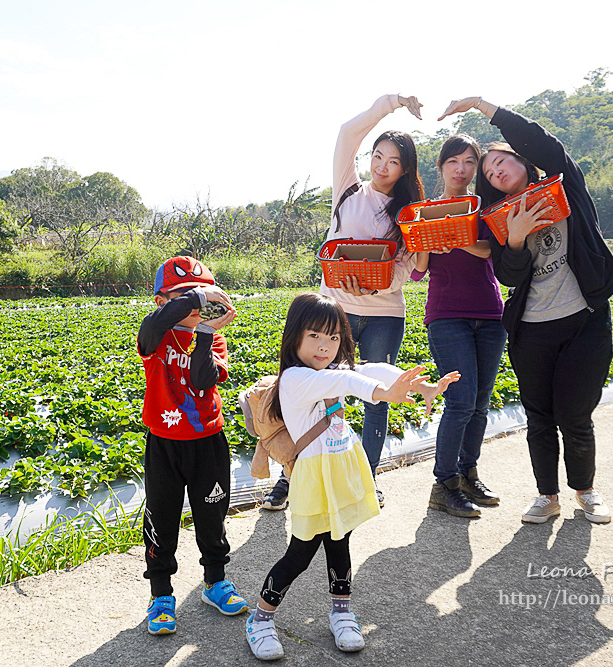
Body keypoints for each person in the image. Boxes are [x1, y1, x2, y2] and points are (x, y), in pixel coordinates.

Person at [437, 96, 613, 525]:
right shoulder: (500, 218)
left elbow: (543, 142)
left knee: (576, 416)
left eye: (500, 161)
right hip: (532, 327)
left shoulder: (566, 187)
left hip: (584, 320)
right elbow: (508, 275)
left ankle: (586, 491)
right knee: (539, 417)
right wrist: (517, 238)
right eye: (488, 172)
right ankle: (546, 495)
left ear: (523, 160)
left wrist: (483, 107)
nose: (495, 171)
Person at [245, 293, 458, 660]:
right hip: (314, 476)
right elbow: (353, 384)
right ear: (294, 336)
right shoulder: (296, 378)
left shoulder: (330, 372)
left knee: (340, 544)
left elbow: (368, 370)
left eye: (333, 338)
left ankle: (341, 613)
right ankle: (261, 618)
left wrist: (415, 386)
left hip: (341, 469)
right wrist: (384, 393)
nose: (324, 346)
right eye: (314, 336)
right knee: (300, 553)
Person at [263, 93, 426, 513]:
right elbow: (346, 133)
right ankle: (290, 477)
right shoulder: (348, 189)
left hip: (386, 314)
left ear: (405, 169)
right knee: (313, 392)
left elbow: (407, 266)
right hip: (333, 312)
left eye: (392, 161)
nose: (381, 166)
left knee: (377, 394)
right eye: (378, 155)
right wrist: (390, 103)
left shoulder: (409, 211)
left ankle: (366, 480)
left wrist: (374, 286)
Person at [137, 255, 248, 635]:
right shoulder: (156, 337)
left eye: (201, 296)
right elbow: (148, 330)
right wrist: (197, 296)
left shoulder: (214, 338)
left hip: (207, 442)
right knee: (162, 518)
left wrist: (205, 329)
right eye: (183, 297)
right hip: (164, 444)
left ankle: (215, 582)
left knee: (212, 517)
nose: (196, 305)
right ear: (161, 301)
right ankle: (161, 595)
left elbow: (203, 380)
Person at [411, 134, 507, 518]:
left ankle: (469, 473)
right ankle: (444, 483)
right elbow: (419, 270)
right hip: (447, 314)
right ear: (441, 167)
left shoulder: (485, 208)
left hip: (490, 314)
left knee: (480, 402)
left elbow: (489, 250)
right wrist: (426, 240)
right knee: (460, 399)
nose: (461, 169)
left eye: (469, 162)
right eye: (454, 161)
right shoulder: (426, 211)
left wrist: (455, 236)